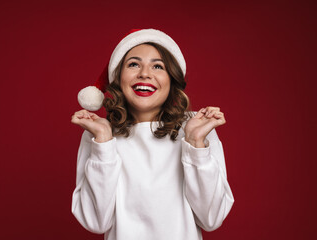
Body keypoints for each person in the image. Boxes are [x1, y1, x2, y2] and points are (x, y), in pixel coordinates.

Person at [71, 29, 234, 240]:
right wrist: (103, 142)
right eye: (133, 64)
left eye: (158, 66)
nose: (145, 74)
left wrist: (196, 144)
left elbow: (211, 218)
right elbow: (96, 221)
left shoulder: (196, 128)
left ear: (171, 78)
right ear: (118, 78)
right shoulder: (100, 133)